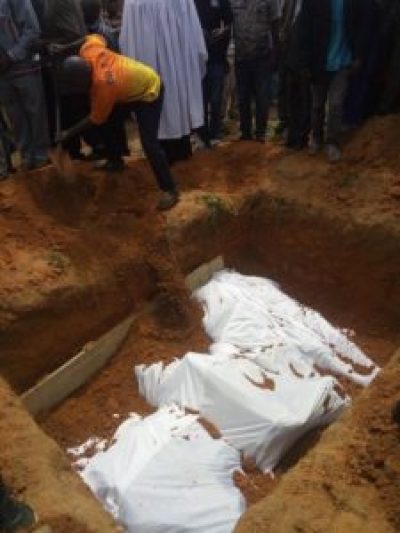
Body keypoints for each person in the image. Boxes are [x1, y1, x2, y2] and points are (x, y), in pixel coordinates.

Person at [55, 35, 179, 210]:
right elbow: (93, 36)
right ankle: (115, 160)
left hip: (150, 91)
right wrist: (65, 46)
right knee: (109, 119)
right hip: (128, 88)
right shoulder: (89, 50)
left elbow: (94, 119)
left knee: (149, 142)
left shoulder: (103, 86)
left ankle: (170, 189)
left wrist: (68, 133)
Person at [299, 0, 370, 162]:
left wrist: (358, 56)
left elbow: (362, 28)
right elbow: (304, 30)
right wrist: (304, 62)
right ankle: (316, 138)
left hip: (343, 63)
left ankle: (332, 142)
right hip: (319, 62)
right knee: (317, 104)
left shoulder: (353, 3)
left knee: (336, 104)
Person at [0, 0, 50, 171]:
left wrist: (11, 56)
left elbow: (32, 30)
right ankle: (27, 157)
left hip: (24, 66)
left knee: (35, 112)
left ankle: (42, 156)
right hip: (3, 75)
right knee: (15, 117)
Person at [230, 0, 281, 142]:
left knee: (262, 97)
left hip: (262, 56)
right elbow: (228, 24)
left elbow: (275, 25)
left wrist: (276, 54)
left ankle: (260, 133)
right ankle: (245, 133)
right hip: (241, 57)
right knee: (243, 97)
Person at [194, 0, 233, 146]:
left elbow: (229, 23)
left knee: (216, 100)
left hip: (217, 57)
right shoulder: (193, 2)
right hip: (198, 60)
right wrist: (201, 34)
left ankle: (215, 133)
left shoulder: (223, 1)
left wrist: (221, 34)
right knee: (201, 100)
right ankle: (202, 136)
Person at [277, 0, 311, 149]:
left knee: (305, 100)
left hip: (306, 60)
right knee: (291, 98)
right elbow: (284, 25)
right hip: (289, 57)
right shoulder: (290, 2)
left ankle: (302, 138)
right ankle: (291, 135)